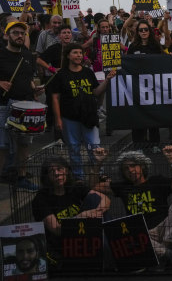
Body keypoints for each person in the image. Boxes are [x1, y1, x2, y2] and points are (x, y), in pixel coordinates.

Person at [103, 147, 172, 266]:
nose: (130, 170)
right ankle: (167, 254)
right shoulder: (123, 187)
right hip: (143, 234)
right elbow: (93, 186)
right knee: (127, 235)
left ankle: (163, 248)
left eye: (133, 166)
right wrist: (98, 163)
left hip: (165, 228)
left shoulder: (156, 181)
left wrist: (171, 159)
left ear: (142, 166)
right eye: (126, 169)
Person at [52, 43, 116, 180]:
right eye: (75, 53)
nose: (78, 56)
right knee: (74, 148)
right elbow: (55, 97)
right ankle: (78, 177)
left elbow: (96, 92)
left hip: (89, 117)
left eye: (80, 53)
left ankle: (99, 173)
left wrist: (107, 80)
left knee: (94, 146)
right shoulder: (61, 75)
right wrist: (58, 119)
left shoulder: (88, 72)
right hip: (69, 118)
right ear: (68, 55)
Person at [31, 156, 110, 267]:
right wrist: (81, 216)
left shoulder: (75, 187)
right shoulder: (41, 199)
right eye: (51, 171)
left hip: (85, 232)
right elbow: (57, 230)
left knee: (95, 199)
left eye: (60, 169)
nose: (57, 174)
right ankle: (107, 254)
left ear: (67, 171)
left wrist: (96, 212)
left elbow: (106, 199)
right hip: (65, 242)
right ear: (47, 177)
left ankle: (106, 249)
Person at [0, 19, 41, 191]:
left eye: (22, 33)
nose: (19, 36)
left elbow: (29, 78)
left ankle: (22, 176)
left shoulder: (28, 56)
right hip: (4, 105)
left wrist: (35, 89)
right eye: (15, 33)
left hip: (26, 104)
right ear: (6, 35)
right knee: (2, 145)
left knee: (24, 144)